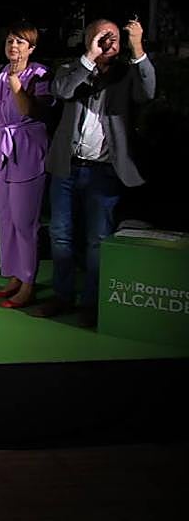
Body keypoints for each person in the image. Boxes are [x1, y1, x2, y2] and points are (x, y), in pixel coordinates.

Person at [34, 17, 156, 327]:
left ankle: (92, 302)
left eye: (114, 37)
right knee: (60, 235)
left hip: (105, 171)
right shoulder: (72, 69)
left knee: (98, 239)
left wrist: (137, 47)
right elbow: (62, 91)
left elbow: (148, 92)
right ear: (89, 39)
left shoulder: (126, 74)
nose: (108, 42)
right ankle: (62, 296)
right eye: (102, 37)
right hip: (67, 166)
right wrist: (89, 57)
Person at [0, 22, 51, 310]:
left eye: (20, 42)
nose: (14, 46)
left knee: (24, 222)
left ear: (31, 48)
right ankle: (13, 277)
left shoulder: (40, 74)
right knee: (5, 220)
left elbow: (30, 110)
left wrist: (17, 84)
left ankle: (28, 282)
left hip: (26, 152)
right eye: (10, 41)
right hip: (1, 152)